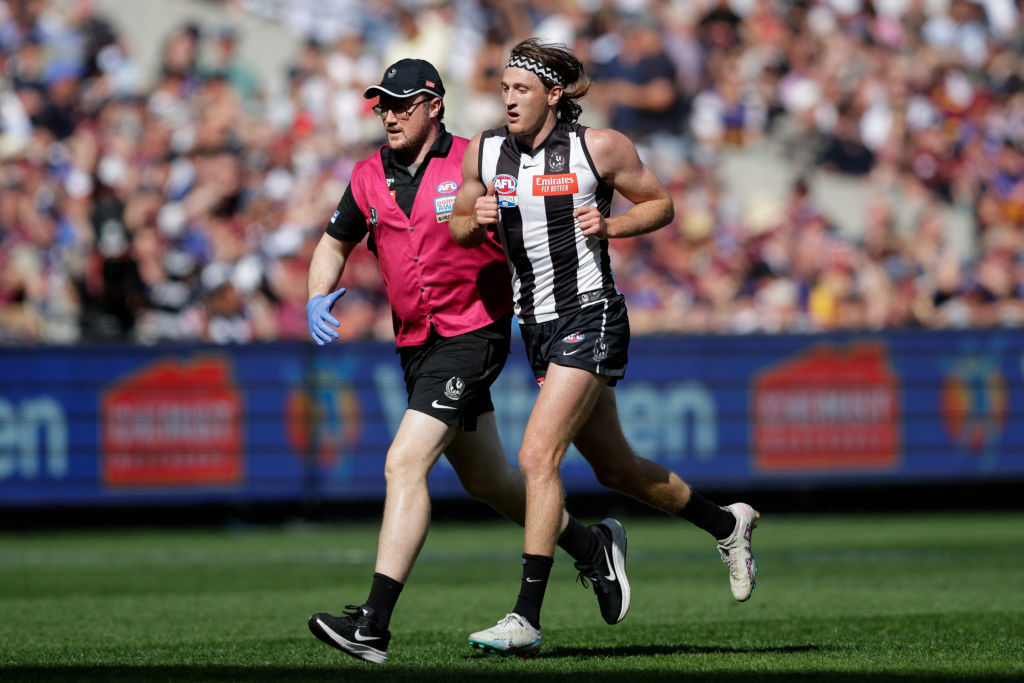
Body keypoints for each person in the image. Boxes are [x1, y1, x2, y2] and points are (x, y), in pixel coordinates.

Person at [304, 58, 632, 665]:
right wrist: (316, 294)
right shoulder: (367, 174)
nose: (389, 115)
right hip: (414, 343)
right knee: (488, 482)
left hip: (473, 333)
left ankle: (373, 624)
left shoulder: (479, 158)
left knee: (404, 462)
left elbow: (538, 228)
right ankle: (591, 547)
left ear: (434, 106)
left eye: (401, 104)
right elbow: (333, 242)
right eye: (382, 105)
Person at [450, 39, 760, 657]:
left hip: (590, 314)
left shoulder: (600, 147)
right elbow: (459, 224)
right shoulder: (483, 150)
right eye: (504, 88)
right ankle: (727, 523)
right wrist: (472, 218)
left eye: (521, 89)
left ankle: (526, 616)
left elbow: (662, 204)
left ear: (553, 95)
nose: (508, 99)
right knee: (616, 469)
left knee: (537, 457)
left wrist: (612, 224)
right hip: (535, 326)